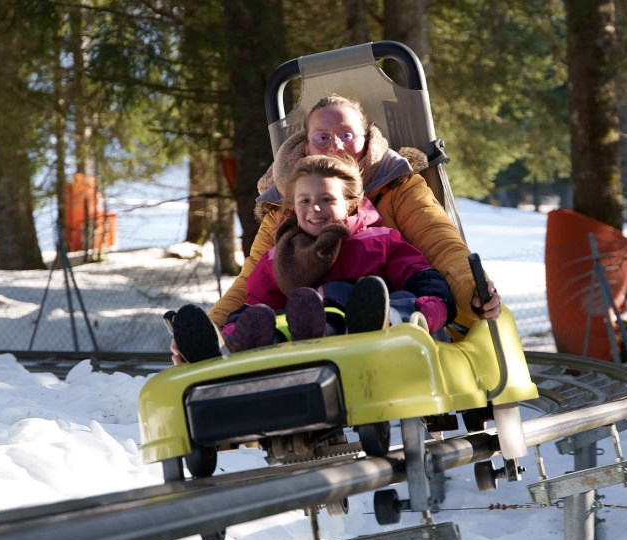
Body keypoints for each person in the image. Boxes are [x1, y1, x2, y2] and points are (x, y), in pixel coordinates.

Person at [170, 94, 498, 364]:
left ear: (367, 140)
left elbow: (439, 243)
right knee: (261, 313)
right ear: (306, 147)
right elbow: (252, 283)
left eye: (347, 135)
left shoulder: (398, 192)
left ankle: (369, 319)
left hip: (379, 309)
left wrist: (472, 288)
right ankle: (222, 346)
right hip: (302, 321)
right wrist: (212, 327)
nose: (335, 147)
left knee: (372, 297)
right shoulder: (287, 211)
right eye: (322, 138)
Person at [220, 154, 455, 352]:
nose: (315, 207)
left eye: (326, 199)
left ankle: (352, 321)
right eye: (304, 201)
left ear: (351, 204)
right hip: (300, 337)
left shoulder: (379, 240)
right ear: (293, 207)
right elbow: (257, 303)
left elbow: (418, 274)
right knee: (267, 316)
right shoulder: (279, 257)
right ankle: (233, 342)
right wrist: (235, 326)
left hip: (377, 336)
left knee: (395, 300)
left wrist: (433, 304)